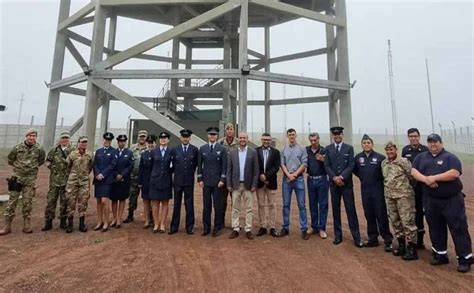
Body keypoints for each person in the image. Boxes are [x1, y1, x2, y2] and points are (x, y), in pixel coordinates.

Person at [411, 134, 472, 273]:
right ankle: (440, 254)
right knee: (435, 228)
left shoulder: (450, 157)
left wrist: (434, 178)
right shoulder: (421, 157)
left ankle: (465, 259)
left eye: (435, 142)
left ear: (441, 143)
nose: (433, 144)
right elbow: (413, 171)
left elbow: (454, 173)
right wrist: (426, 180)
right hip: (431, 200)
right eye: (430, 142)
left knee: (458, 228)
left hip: (451, 200)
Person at [0, 128, 45, 235]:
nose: (31, 137)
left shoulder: (39, 149)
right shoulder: (17, 148)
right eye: (30, 135)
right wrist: (20, 168)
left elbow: (40, 161)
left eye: (34, 135)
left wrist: (30, 169)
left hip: (30, 180)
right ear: (26, 136)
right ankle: (7, 226)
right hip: (16, 178)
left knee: (27, 202)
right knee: (12, 202)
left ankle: (26, 225)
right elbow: (10, 159)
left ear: (36, 137)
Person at [324, 126, 363, 247]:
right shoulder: (328, 148)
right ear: (332, 136)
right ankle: (338, 236)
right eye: (335, 134)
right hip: (334, 185)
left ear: (342, 135)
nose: (337, 136)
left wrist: (341, 177)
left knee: (351, 210)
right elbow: (327, 165)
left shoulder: (349, 148)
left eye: (339, 134)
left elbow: (351, 165)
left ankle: (357, 237)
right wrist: (334, 177)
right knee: (336, 211)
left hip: (346, 184)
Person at [354, 134, 393, 251]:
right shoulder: (358, 157)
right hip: (365, 190)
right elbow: (356, 171)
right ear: (361, 144)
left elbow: (385, 173)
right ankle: (373, 238)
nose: (366, 145)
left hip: (378, 190)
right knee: (369, 214)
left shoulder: (380, 158)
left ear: (372, 144)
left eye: (368, 143)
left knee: (381, 214)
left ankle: (387, 240)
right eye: (364, 143)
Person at [381, 142, 418, 260]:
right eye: (387, 150)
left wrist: (406, 190)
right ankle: (402, 245)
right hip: (390, 197)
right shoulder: (384, 163)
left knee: (407, 221)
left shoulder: (404, 162)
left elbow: (412, 177)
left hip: (404, 197)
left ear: (396, 150)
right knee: (395, 221)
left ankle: (412, 248)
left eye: (391, 150)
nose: (389, 152)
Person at [227, 132, 259, 240]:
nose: (242, 139)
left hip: (248, 185)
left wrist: (254, 184)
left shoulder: (253, 152)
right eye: (240, 138)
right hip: (235, 185)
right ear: (238, 139)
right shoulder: (232, 153)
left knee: (249, 208)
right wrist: (229, 184)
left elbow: (256, 171)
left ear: (247, 139)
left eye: (244, 138)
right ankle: (235, 228)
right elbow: (229, 170)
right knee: (235, 208)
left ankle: (248, 229)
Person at [279, 128, 309, 240]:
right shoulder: (283, 149)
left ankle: (304, 229)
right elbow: (282, 165)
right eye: (289, 135)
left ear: (296, 135)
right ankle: (285, 227)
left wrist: (295, 175)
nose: (291, 136)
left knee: (301, 205)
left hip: (299, 179)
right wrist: (289, 175)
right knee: (286, 205)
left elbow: (304, 164)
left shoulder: (302, 149)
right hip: (287, 179)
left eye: (293, 134)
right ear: (287, 136)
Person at [197, 126, 227, 237]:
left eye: (214, 134)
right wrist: (200, 179)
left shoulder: (222, 149)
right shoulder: (202, 149)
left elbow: (225, 166)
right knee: (206, 206)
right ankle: (206, 227)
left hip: (217, 183)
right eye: (210, 134)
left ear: (217, 136)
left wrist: (222, 179)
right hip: (206, 182)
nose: (212, 136)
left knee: (217, 206)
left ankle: (217, 228)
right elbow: (199, 165)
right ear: (207, 135)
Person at [402, 128, 429, 249]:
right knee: (415, 213)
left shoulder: (425, 150)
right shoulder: (405, 150)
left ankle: (432, 242)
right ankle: (417, 240)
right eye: (411, 136)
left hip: (423, 185)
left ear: (419, 136)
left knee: (427, 212)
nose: (413, 138)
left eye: (415, 136)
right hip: (411, 187)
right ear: (408, 137)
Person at [42, 130, 74, 231]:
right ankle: (48, 221)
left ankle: (63, 221)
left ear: (69, 140)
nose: (64, 140)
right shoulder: (54, 150)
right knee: (51, 201)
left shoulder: (73, 150)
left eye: (66, 138)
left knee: (64, 201)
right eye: (63, 138)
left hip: (67, 180)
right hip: (54, 181)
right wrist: (53, 169)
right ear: (60, 139)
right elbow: (48, 161)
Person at [169, 129, 199, 235]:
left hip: (189, 181)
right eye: (183, 136)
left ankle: (189, 227)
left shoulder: (194, 150)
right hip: (177, 181)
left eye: (187, 137)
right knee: (176, 204)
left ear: (189, 138)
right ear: (180, 138)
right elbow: (171, 165)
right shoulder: (174, 150)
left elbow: (196, 164)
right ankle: (174, 226)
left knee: (189, 204)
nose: (185, 138)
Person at [64, 136, 94, 233]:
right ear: (78, 143)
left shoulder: (89, 155)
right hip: (73, 181)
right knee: (70, 202)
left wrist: (84, 175)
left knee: (83, 202)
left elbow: (90, 167)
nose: (84, 144)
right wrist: (73, 175)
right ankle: (70, 224)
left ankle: (82, 224)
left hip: (84, 181)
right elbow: (67, 167)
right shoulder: (72, 154)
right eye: (82, 142)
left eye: (85, 142)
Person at [256, 133, 280, 237]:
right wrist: (260, 176)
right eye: (264, 139)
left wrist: (266, 176)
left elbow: (276, 167)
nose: (266, 141)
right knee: (261, 205)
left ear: (270, 141)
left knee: (272, 205)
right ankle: (263, 226)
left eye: (268, 140)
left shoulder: (276, 152)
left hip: (271, 182)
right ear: (261, 140)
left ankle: (272, 227)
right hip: (259, 183)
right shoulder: (255, 151)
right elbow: (255, 165)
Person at [305, 132, 329, 239]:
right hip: (310, 179)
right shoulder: (306, 150)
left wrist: (324, 160)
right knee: (312, 204)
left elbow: (330, 164)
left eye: (315, 140)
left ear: (319, 139)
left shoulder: (324, 150)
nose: (313, 142)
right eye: (311, 140)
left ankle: (322, 228)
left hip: (322, 179)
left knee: (323, 204)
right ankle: (314, 226)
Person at [148, 132, 173, 233]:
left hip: (166, 180)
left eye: (165, 138)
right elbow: (150, 167)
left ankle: (162, 224)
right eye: (161, 138)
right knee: (155, 203)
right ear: (159, 140)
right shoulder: (154, 151)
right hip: (155, 180)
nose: (163, 139)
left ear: (168, 140)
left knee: (165, 203)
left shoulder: (171, 151)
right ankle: (156, 224)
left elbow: (174, 166)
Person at [92, 132, 116, 232]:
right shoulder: (99, 151)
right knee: (98, 201)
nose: (107, 141)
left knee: (104, 201)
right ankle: (99, 221)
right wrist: (97, 174)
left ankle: (106, 221)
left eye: (109, 140)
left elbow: (112, 165)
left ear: (111, 141)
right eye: (106, 140)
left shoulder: (114, 151)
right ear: (103, 140)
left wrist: (103, 174)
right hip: (98, 179)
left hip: (107, 179)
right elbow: (95, 164)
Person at [110, 135, 134, 229]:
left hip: (125, 179)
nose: (122, 143)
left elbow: (130, 166)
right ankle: (114, 218)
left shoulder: (129, 153)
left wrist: (122, 175)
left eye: (123, 141)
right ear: (117, 142)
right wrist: (116, 175)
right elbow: (111, 165)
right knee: (114, 199)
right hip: (114, 178)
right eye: (120, 141)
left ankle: (119, 218)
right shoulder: (113, 152)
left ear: (126, 142)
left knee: (122, 198)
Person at [124, 130, 148, 223]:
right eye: (140, 136)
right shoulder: (132, 148)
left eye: (143, 136)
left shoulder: (149, 148)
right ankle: (130, 215)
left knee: (147, 197)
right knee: (132, 196)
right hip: (134, 177)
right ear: (138, 137)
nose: (142, 138)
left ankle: (150, 217)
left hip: (145, 178)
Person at [219, 122, 238, 227]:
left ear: (234, 131)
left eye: (231, 129)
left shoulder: (239, 143)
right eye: (227, 129)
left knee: (235, 202)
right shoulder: (220, 143)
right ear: (225, 131)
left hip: (235, 177)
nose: (229, 131)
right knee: (222, 202)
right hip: (223, 177)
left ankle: (235, 223)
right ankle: (221, 223)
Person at [138, 134, 157, 229]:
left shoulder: (158, 153)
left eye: (152, 143)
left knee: (154, 202)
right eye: (149, 143)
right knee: (146, 202)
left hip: (154, 181)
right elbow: (141, 169)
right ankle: (146, 220)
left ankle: (154, 220)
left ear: (155, 143)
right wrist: (140, 182)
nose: (150, 145)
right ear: (146, 144)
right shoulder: (144, 154)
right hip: (145, 181)